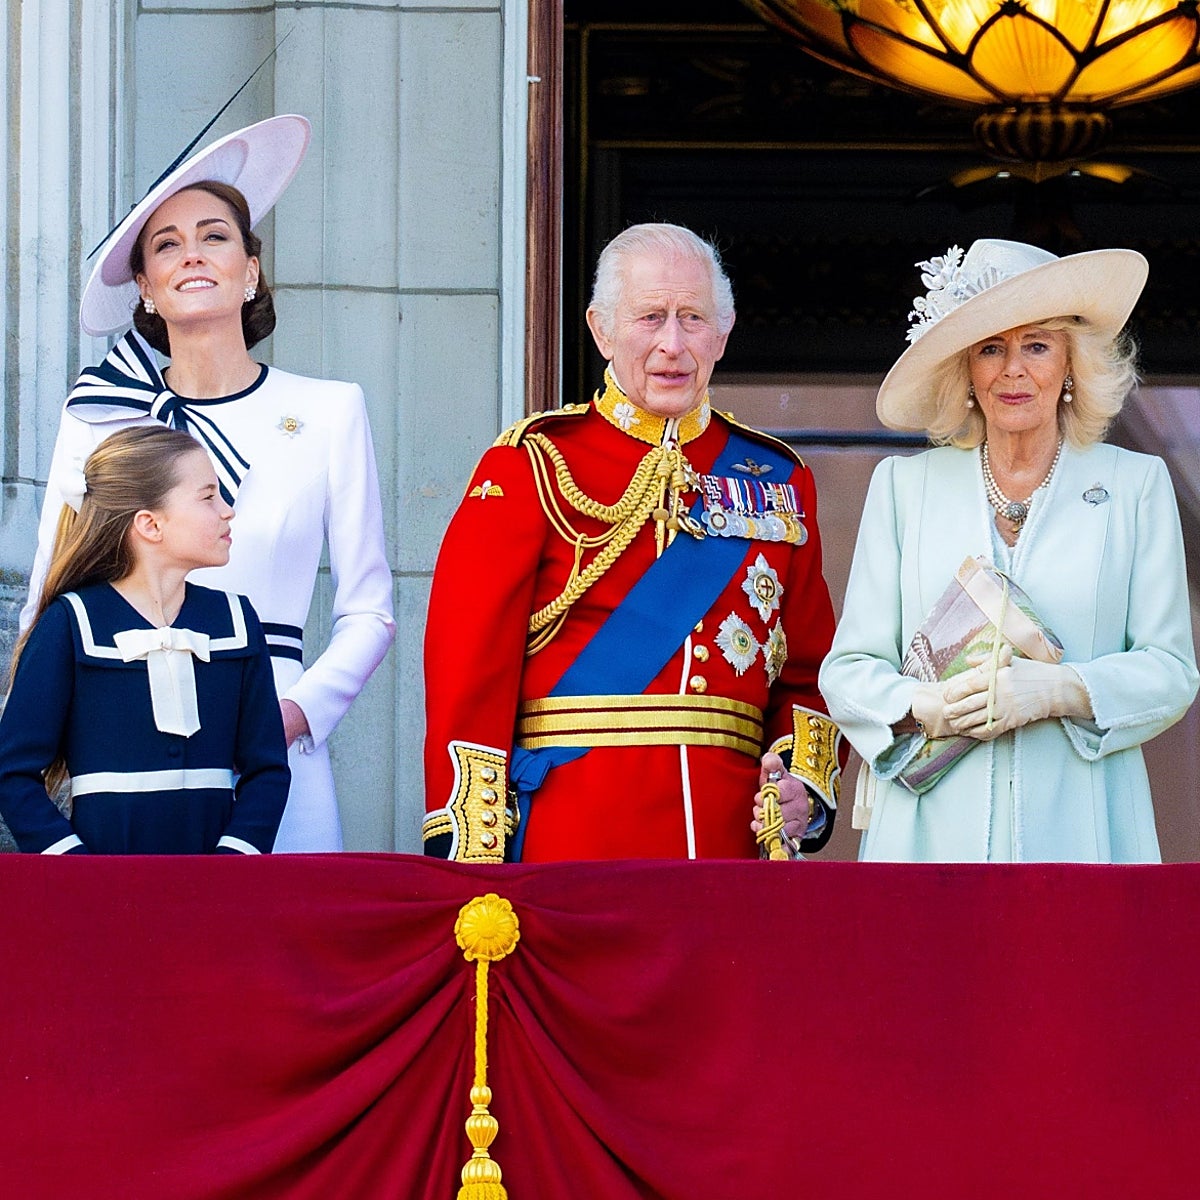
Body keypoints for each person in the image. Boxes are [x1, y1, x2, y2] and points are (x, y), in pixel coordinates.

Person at [21, 115, 395, 852]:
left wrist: (290, 714)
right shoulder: (100, 415)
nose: (192, 255)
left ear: (251, 268)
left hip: (274, 743)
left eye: (215, 236)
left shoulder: (328, 411)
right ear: (146, 288)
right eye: (167, 244)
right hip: (123, 742)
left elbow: (369, 611)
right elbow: (50, 593)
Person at [422, 222, 843, 862]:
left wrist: (801, 786)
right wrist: (472, 848)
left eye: (693, 318)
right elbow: (468, 665)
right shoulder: (533, 463)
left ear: (723, 334)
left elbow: (811, 670)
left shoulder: (780, 478)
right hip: (569, 836)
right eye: (650, 317)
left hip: (726, 844)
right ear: (601, 329)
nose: (672, 344)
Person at [819, 238, 1199, 862]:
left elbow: (1170, 672)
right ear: (965, 369)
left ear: (1073, 363)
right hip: (926, 841)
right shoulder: (903, 487)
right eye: (991, 348)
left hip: (1084, 837)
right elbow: (848, 671)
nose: (1013, 370)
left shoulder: (1136, 485)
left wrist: (1061, 691)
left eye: (1037, 346)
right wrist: (926, 707)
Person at [0, 426, 290, 854]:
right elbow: (12, 771)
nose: (227, 512)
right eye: (208, 497)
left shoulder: (236, 620)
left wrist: (236, 856)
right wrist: (72, 863)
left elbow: (267, 768)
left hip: (216, 892)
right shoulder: (71, 623)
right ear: (150, 524)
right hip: (101, 895)